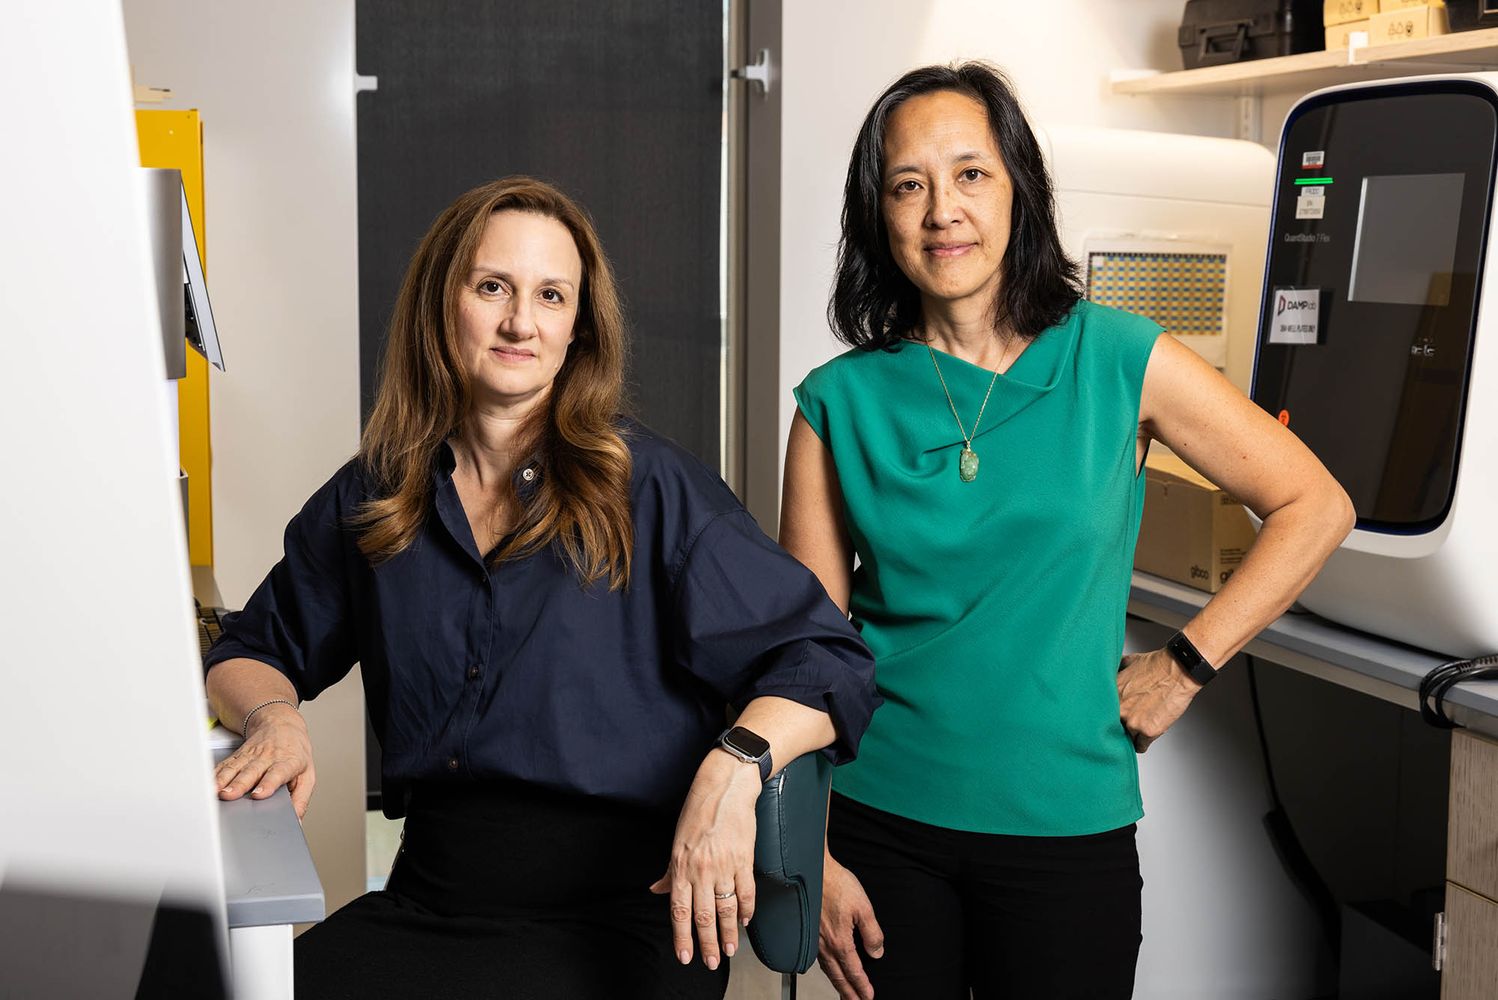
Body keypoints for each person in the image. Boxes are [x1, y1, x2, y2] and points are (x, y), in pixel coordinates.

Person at [204, 176, 880, 1000]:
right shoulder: (377, 495)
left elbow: (823, 657)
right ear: (441, 304)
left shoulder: (651, 489)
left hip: (624, 918)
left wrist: (732, 768)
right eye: (493, 287)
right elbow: (250, 648)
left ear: (577, 331)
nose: (520, 321)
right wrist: (274, 715)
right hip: (432, 900)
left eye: (551, 296)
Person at [779, 63, 1355, 1000]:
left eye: (971, 174)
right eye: (908, 185)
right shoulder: (835, 405)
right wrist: (817, 847)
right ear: (878, 215)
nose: (942, 212)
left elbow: (1315, 505)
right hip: (881, 826)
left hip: (1063, 830)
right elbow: (808, 657)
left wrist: (1187, 664)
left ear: (1019, 191)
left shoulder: (1122, 358)